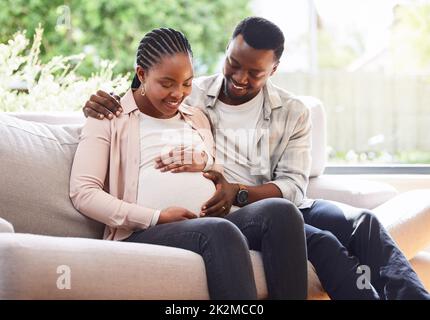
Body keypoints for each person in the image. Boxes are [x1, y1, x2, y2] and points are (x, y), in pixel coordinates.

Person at [84, 17, 430, 300]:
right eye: (233, 64)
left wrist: (238, 191)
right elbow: (146, 96)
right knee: (322, 242)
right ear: (227, 50)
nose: (239, 77)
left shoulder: (292, 111)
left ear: (274, 70)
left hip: (263, 199)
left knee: (363, 223)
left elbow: (293, 187)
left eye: (254, 73)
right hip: (230, 211)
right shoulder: (192, 94)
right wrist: (98, 101)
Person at [70, 27, 308, 300]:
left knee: (283, 212)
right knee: (219, 231)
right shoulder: (109, 118)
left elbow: (215, 170)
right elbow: (83, 192)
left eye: (186, 83)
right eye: (167, 83)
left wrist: (207, 164)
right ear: (141, 74)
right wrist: (156, 217)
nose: (178, 93)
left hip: (214, 221)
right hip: (148, 231)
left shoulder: (196, 117)